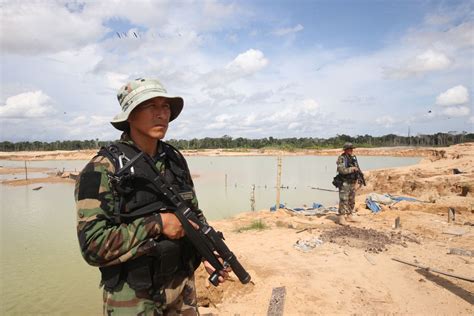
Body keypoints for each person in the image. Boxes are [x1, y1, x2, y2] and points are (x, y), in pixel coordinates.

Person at [74, 77, 226, 315]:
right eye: (151, 106)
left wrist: (207, 250)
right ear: (130, 116)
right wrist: (157, 224)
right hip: (132, 297)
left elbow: (193, 213)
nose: (162, 114)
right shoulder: (102, 169)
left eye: (165, 106)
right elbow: (93, 246)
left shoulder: (175, 160)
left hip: (181, 288)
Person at [335, 142, 362, 225]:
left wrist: (359, 177)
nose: (351, 150)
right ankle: (341, 217)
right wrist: (351, 169)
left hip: (352, 182)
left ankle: (349, 215)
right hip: (344, 183)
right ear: (345, 150)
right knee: (344, 200)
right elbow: (341, 170)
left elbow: (357, 168)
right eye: (349, 149)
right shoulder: (341, 158)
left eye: (352, 149)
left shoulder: (353, 158)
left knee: (351, 200)